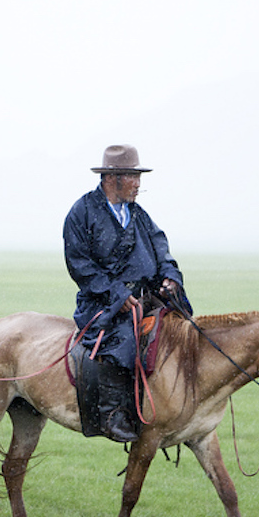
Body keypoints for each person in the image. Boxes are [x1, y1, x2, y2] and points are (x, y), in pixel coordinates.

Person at [63, 144, 190, 442]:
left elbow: (161, 248)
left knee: (181, 325)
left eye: (138, 176)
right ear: (111, 178)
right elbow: (79, 265)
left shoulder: (138, 214)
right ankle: (112, 413)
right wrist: (116, 296)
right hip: (102, 302)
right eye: (133, 177)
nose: (138, 183)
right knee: (125, 339)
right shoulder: (81, 213)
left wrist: (170, 276)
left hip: (144, 296)